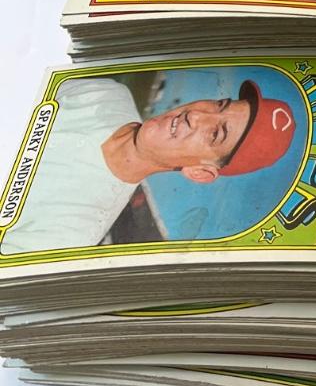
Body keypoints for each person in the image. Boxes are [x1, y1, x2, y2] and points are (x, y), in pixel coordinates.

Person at [2, 75, 296, 255]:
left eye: (216, 133)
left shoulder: (70, 234)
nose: (196, 115)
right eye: (220, 104)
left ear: (199, 172)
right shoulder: (105, 93)